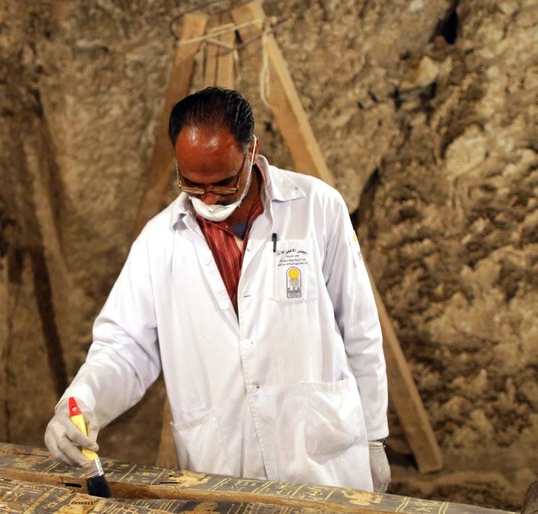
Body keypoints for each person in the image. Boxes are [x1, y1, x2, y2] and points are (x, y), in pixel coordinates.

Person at [45, 87, 391, 491]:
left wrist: (373, 438)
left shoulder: (317, 208)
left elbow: (360, 327)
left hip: (322, 460)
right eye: (191, 184)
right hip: (222, 468)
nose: (208, 198)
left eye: (224, 183)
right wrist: (81, 404)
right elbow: (124, 348)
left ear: (252, 151)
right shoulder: (160, 241)